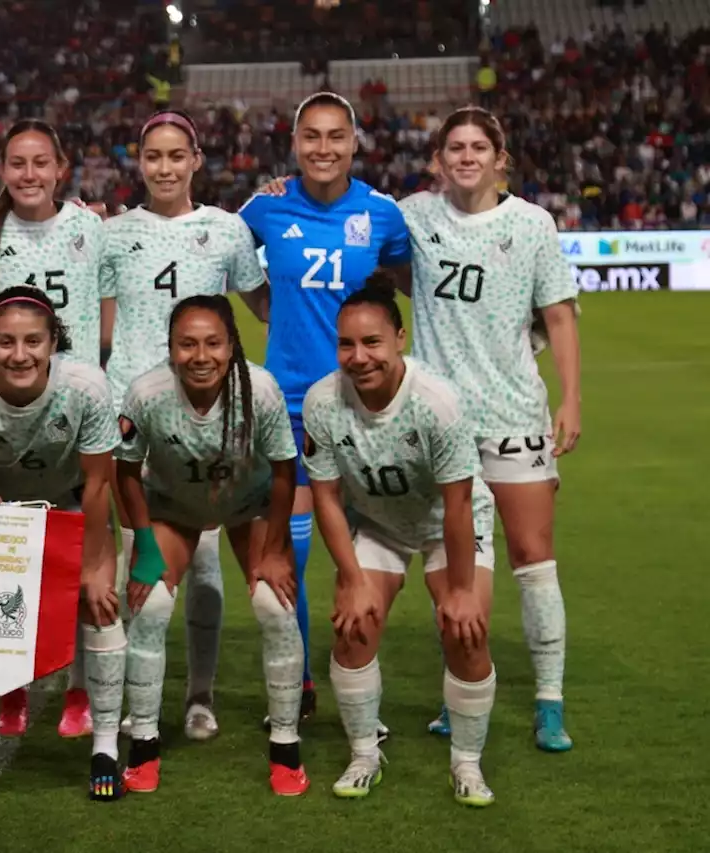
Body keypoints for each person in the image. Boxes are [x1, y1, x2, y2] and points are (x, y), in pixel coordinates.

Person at [400, 106, 581, 751]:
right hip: (442, 427)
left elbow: (558, 316)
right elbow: (353, 222)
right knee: (455, 573)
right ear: (438, 160)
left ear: (500, 158)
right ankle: (463, 689)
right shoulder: (415, 217)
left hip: (515, 416)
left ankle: (549, 701)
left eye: (479, 146)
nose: (467, 156)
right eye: (455, 147)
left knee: (534, 559)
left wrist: (571, 399)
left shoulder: (532, 224)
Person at [239, 92, 411, 726]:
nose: (323, 148)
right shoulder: (264, 206)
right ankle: (304, 681)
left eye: (336, 136)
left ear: (355, 142)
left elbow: (408, 280)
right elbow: (219, 248)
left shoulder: (383, 215)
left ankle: (356, 680)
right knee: (297, 552)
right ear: (293, 141)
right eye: (311, 136)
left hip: (364, 403)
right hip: (287, 404)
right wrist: (266, 307)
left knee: (359, 553)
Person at [102, 109, 267, 742]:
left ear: (196, 161)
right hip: (131, 417)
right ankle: (130, 697)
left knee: (203, 565)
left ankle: (201, 694)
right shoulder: (113, 235)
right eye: (153, 157)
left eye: (177, 156)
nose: (164, 168)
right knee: (136, 567)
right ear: (138, 163)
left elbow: (264, 303)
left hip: (209, 417)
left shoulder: (226, 231)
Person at [303, 281, 497, 807]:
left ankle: (467, 764)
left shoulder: (438, 403)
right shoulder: (322, 402)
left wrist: (459, 589)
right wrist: (353, 578)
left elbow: (458, 503)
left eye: (372, 343)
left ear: (399, 339)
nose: (359, 357)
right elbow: (325, 497)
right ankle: (365, 754)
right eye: (347, 344)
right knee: (352, 627)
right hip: (380, 523)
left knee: (466, 630)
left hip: (446, 523)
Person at [114, 294, 308, 796]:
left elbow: (286, 471)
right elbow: (127, 473)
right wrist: (144, 546)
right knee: (150, 605)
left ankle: (286, 749)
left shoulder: (260, 391)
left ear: (232, 346)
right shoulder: (147, 393)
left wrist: (273, 549)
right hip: (175, 508)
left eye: (213, 343)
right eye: (187, 344)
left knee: (275, 606)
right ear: (171, 349)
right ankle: (144, 744)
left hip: (248, 507)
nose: (200, 356)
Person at [0, 285, 125, 802]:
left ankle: (105, 748)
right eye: (6, 342)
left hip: (67, 502)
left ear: (52, 343)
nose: (19, 355)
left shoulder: (86, 388)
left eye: (32, 341)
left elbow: (98, 483)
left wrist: (91, 564)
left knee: (103, 605)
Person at [0, 119, 110, 739]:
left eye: (40, 162)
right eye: (17, 163)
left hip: (67, 407)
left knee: (70, 551)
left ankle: (76, 690)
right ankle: (11, 690)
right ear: (1, 169)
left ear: (61, 168)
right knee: (8, 556)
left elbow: (107, 314)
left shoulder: (88, 228)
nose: (28, 174)